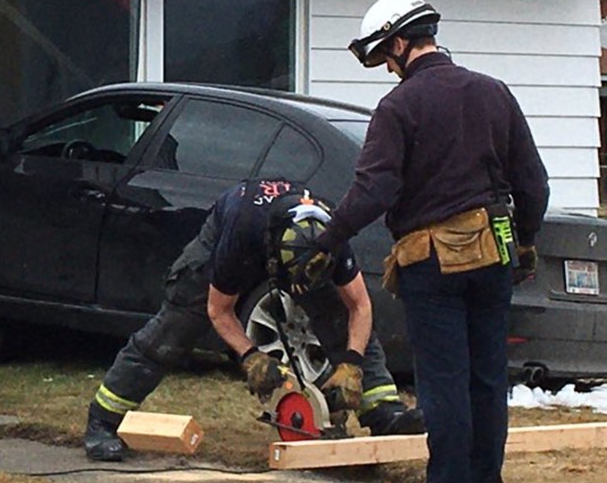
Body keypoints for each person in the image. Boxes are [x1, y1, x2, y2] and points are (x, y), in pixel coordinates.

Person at [313, 0, 549, 483]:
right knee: (487, 381)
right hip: (493, 254)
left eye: (386, 57)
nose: (387, 70)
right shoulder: (494, 91)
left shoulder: (399, 108)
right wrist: (525, 242)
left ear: (401, 43)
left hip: (431, 264)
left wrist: (328, 239)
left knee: (444, 384)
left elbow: (375, 188)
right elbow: (534, 184)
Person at [84, 178, 424, 462]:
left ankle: (382, 413)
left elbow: (360, 308)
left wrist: (351, 365)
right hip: (228, 232)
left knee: (336, 317)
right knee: (175, 327)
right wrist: (252, 357)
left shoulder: (332, 234)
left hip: (295, 250)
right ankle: (103, 420)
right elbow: (219, 310)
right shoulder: (241, 237)